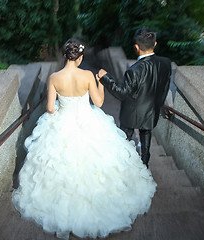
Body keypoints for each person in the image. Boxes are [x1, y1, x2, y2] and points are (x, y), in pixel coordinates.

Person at [12, 39, 157, 240]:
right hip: (87, 120)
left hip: (62, 122)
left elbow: (51, 109)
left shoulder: (54, 77)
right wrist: (101, 85)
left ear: (65, 56)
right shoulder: (88, 75)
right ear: (80, 57)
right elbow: (98, 103)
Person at [98, 27, 172, 168]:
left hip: (131, 112)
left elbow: (121, 93)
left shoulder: (134, 70)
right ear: (155, 44)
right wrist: (159, 105)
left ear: (136, 47)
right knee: (146, 133)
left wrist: (106, 78)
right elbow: (165, 87)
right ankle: (145, 162)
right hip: (151, 110)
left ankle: (125, 164)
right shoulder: (166, 63)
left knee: (126, 137)